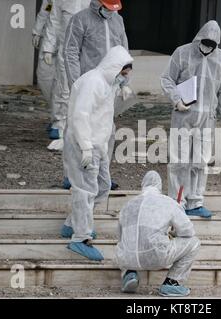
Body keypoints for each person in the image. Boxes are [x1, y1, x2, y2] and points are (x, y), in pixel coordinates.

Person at [63, 45, 133, 260]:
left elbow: (102, 116)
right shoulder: (93, 82)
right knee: (85, 190)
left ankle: (71, 223)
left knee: (102, 186)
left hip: (98, 145)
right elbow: (80, 115)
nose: (125, 77)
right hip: (85, 144)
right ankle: (80, 237)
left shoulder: (108, 83)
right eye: (124, 73)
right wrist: (85, 146)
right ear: (115, 68)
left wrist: (122, 89)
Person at [160, 20, 221, 219]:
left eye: (212, 44)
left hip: (207, 119)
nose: (207, 47)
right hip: (183, 116)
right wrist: (177, 100)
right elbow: (167, 79)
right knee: (179, 160)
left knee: (200, 161)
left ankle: (195, 201)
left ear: (216, 44)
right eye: (205, 42)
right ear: (199, 38)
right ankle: (177, 202)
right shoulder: (182, 53)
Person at [64, 0, 129, 190]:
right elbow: (70, 51)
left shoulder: (118, 21)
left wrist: (125, 81)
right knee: (77, 128)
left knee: (106, 129)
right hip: (88, 83)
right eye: (108, 8)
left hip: (110, 84)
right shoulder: (80, 20)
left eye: (113, 9)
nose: (111, 12)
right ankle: (71, 174)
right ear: (98, 4)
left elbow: (123, 50)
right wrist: (76, 83)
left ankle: (102, 174)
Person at [116, 171, 201, 297]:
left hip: (127, 257)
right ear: (159, 186)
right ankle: (172, 282)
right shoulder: (167, 202)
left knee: (126, 244)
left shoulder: (129, 204)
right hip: (156, 255)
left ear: (143, 185)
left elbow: (120, 236)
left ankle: (129, 273)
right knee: (194, 242)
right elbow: (188, 231)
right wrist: (173, 234)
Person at [41, 0, 91, 148]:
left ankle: (80, 126)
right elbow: (54, 21)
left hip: (88, 49)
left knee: (85, 89)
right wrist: (48, 48)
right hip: (66, 48)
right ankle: (59, 124)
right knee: (62, 87)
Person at [32, 0, 56, 105]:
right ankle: (57, 110)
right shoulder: (52, 2)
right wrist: (37, 30)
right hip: (51, 39)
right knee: (44, 75)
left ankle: (64, 113)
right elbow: (47, 8)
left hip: (72, 42)